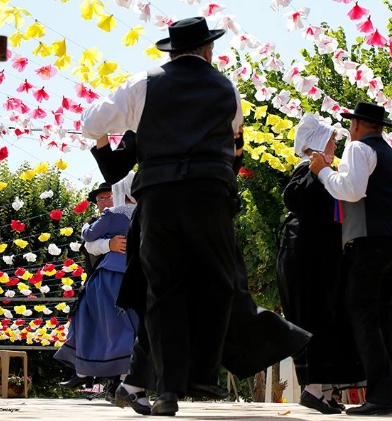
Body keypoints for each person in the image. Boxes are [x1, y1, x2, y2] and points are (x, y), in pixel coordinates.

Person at [81, 16, 273, 416]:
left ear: (172, 50)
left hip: (160, 196)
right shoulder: (228, 89)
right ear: (208, 50)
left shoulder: (144, 83)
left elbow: (92, 123)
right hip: (208, 196)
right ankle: (199, 374)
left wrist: (135, 124)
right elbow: (233, 140)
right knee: (219, 280)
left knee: (164, 288)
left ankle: (165, 388)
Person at [309, 101, 392, 416]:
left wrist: (322, 171)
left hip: (373, 242)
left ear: (356, 125)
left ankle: (381, 395)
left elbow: (351, 191)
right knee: (384, 314)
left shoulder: (358, 149)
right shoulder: (386, 152)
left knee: (363, 312)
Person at [276, 113, 364, 415]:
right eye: (331, 139)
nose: (336, 142)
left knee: (326, 319)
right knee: (310, 319)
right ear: (315, 146)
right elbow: (293, 198)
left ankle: (323, 390)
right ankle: (312, 390)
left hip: (321, 261)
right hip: (304, 261)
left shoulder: (324, 171)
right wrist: (316, 172)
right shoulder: (307, 171)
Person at [54, 172, 139, 406]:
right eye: (100, 199)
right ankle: (86, 372)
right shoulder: (130, 215)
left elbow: (90, 238)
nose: (105, 202)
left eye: (108, 197)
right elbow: (89, 245)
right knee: (96, 322)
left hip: (117, 277)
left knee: (119, 325)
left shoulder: (115, 216)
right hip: (107, 279)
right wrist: (108, 244)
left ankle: (115, 384)